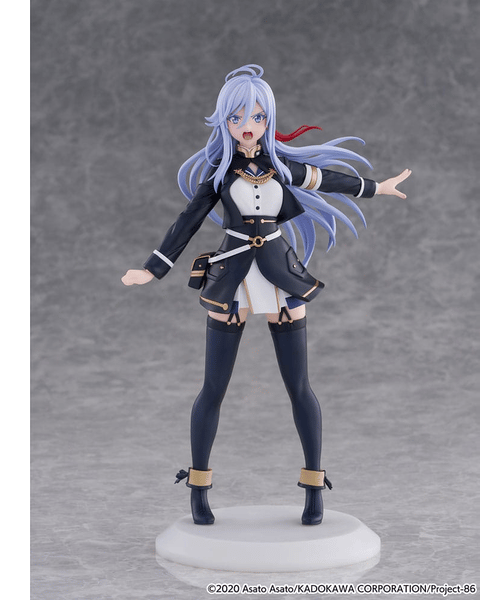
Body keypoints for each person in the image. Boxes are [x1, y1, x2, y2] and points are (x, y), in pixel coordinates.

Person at [122, 64, 410, 525]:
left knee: (300, 387)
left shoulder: (281, 168)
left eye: (256, 117)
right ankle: (198, 488)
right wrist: (153, 269)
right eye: (237, 117)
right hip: (232, 278)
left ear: (268, 119)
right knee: (213, 389)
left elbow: (327, 178)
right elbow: (188, 220)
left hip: (281, 276)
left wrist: (377, 187)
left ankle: (314, 487)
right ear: (225, 120)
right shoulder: (220, 174)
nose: (247, 125)